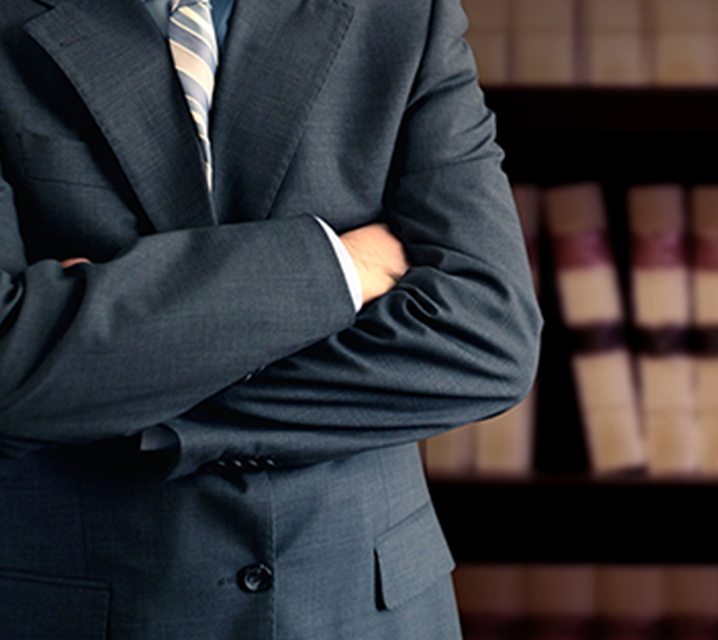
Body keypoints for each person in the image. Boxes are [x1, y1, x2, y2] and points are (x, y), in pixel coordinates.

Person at [0, 0, 542, 637]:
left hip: (365, 612)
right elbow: (11, 364)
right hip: (84, 612)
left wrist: (117, 381)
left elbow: (487, 339)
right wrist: (339, 266)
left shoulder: (402, 14)